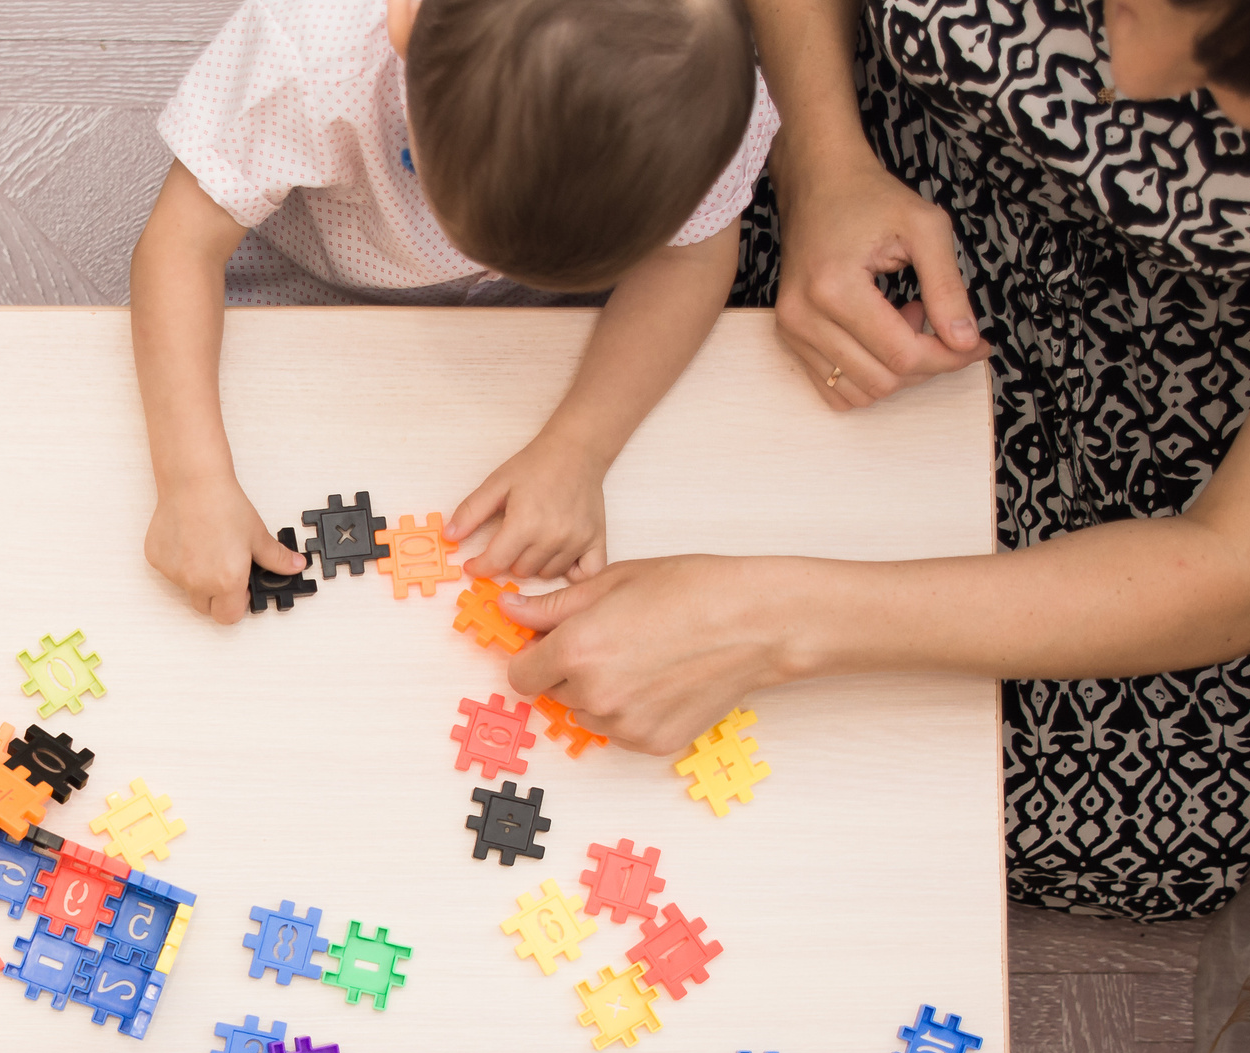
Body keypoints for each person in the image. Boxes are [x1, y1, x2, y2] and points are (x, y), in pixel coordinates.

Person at [502, 0, 1250, 920]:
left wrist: (775, 622)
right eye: (1129, 5)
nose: (1128, 78)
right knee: (650, 498)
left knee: (1122, 830)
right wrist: (821, 159)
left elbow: (1246, 564)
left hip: (1168, 352)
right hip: (869, 157)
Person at [133, 0, 782, 621]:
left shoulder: (701, 96)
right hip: (309, 278)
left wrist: (580, 447)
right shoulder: (311, 49)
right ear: (404, 20)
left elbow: (690, 259)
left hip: (535, 328)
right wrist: (191, 477)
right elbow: (182, 245)